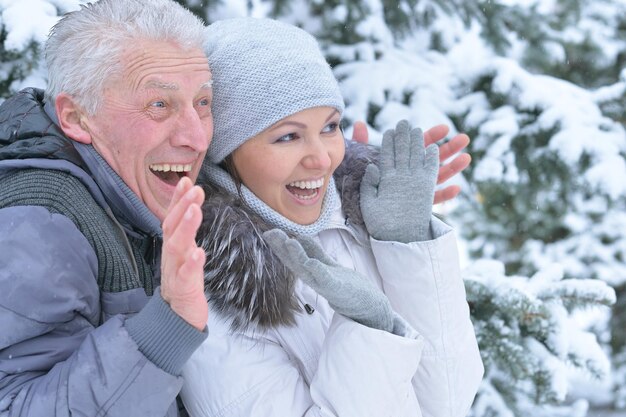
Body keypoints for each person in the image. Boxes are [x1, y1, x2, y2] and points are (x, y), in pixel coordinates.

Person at [180, 17, 483, 417]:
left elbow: (448, 402)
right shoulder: (211, 287)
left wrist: (406, 245)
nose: (321, 158)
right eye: (287, 136)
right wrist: (370, 328)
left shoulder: (363, 223)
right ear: (225, 148)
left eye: (330, 127)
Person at [0, 0, 211, 415]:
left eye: (203, 102)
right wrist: (168, 325)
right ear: (76, 117)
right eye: (159, 105)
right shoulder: (39, 221)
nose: (197, 138)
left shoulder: (133, 173)